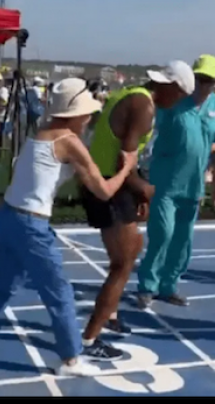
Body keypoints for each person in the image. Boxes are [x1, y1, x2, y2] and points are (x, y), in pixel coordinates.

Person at [0, 78, 137, 376]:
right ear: (74, 114)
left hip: (7, 216)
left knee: (4, 287)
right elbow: (104, 191)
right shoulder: (69, 142)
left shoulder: (40, 132)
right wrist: (128, 166)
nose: (89, 118)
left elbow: (50, 173)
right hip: (30, 224)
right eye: (86, 114)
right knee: (59, 294)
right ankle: (70, 360)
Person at [79, 60, 194, 360]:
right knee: (124, 263)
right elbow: (124, 163)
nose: (179, 102)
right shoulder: (144, 107)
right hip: (109, 184)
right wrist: (146, 189)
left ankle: (111, 314)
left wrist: (138, 189)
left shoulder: (131, 93)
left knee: (124, 254)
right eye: (180, 95)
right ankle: (91, 339)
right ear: (170, 86)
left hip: (102, 181)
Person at [137, 55, 215, 309]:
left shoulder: (213, 106)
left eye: (210, 80)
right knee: (163, 234)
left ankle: (169, 286)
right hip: (166, 182)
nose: (205, 85)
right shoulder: (173, 103)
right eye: (201, 79)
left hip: (194, 186)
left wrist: (211, 168)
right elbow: (149, 131)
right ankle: (148, 285)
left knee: (183, 240)